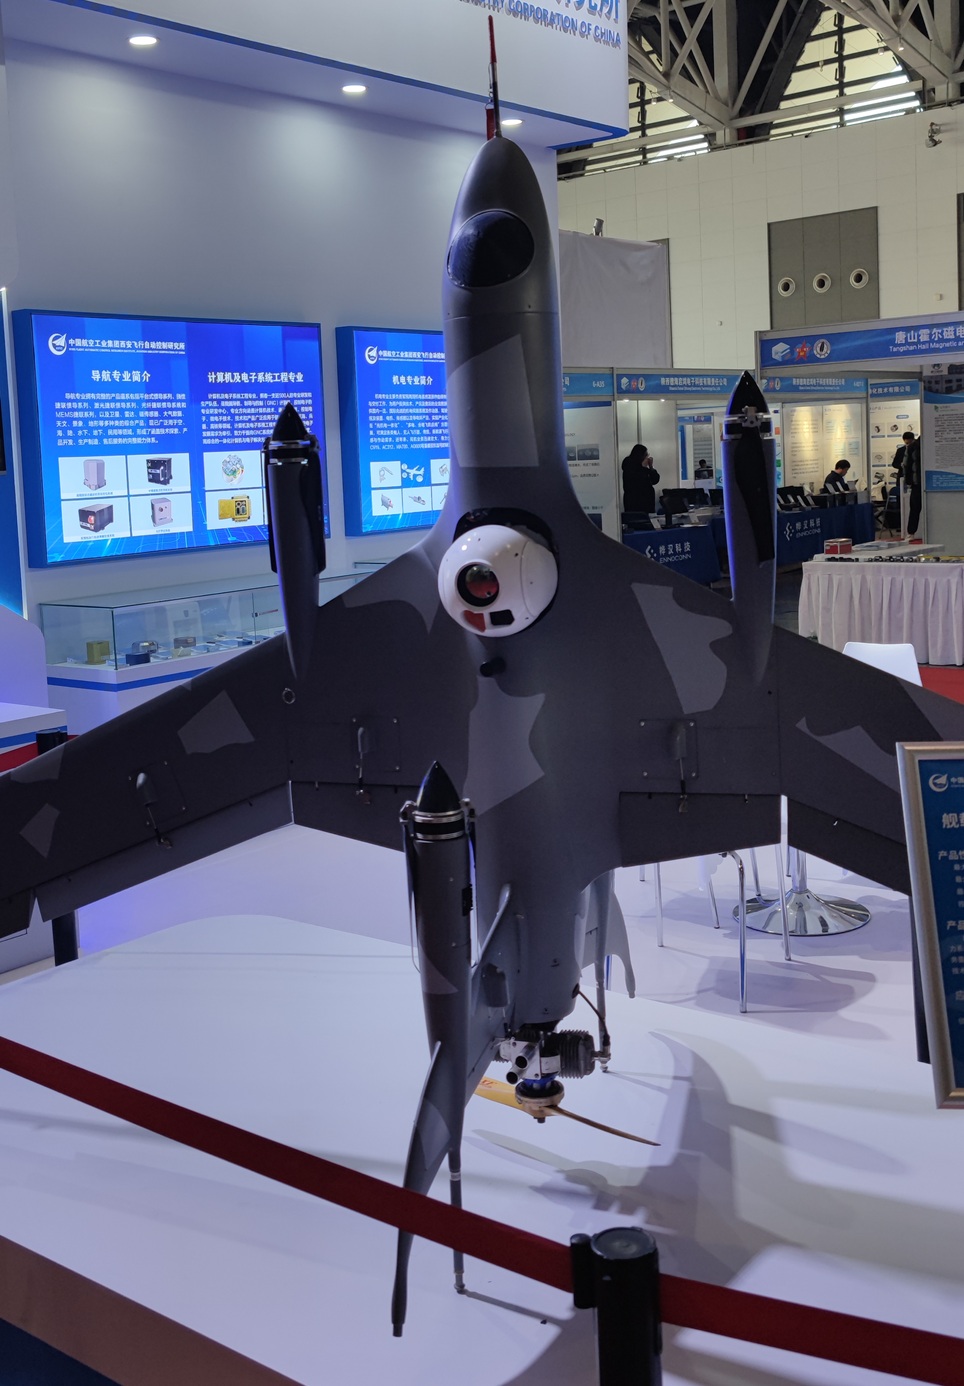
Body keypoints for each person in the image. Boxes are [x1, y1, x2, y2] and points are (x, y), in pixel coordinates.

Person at [892, 431, 922, 536]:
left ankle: (911, 533)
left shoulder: (912, 447)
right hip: (916, 482)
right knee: (914, 507)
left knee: (914, 508)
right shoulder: (910, 448)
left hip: (916, 482)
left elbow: (906, 466)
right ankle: (910, 532)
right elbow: (905, 466)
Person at [621, 443, 660, 514]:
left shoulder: (644, 469)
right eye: (646, 455)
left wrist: (651, 467)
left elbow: (655, 480)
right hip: (635, 503)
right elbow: (637, 481)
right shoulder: (629, 465)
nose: (647, 458)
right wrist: (643, 466)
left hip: (647, 503)